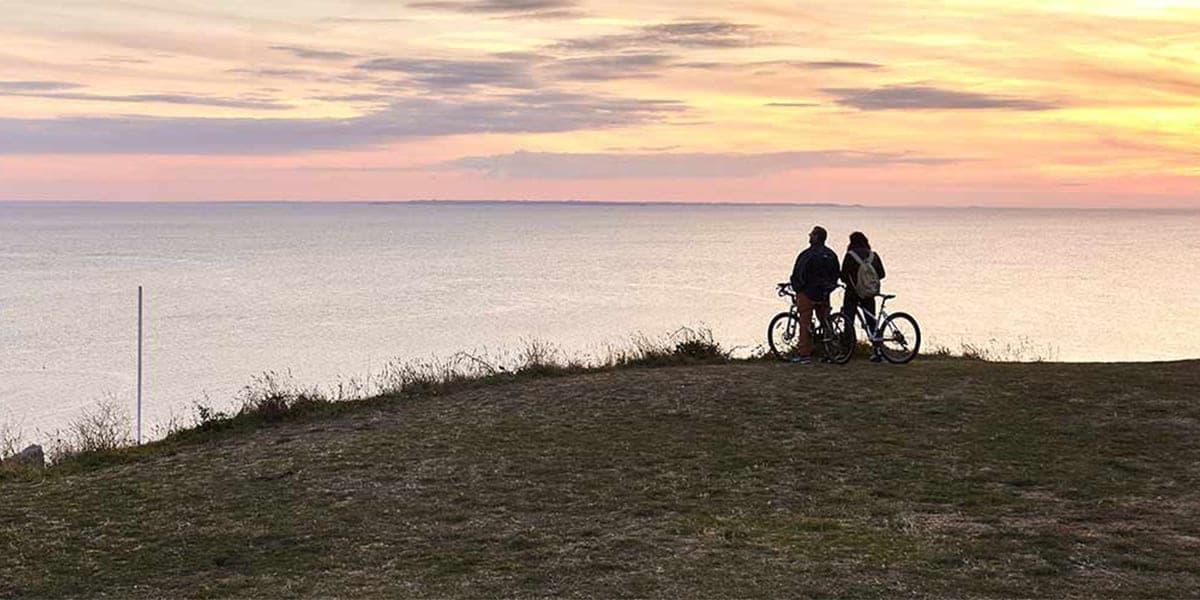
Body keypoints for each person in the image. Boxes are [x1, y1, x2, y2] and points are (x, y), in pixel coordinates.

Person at [789, 225, 841, 364]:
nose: (809, 236)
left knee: (804, 322)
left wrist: (797, 288)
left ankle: (804, 354)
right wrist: (830, 288)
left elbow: (798, 273)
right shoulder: (831, 254)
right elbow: (836, 273)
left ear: (816, 237)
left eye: (811, 234)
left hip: (807, 293)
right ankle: (828, 351)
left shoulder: (807, 254)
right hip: (824, 292)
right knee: (825, 321)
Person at [840, 231, 886, 362]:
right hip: (869, 294)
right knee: (872, 322)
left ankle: (847, 350)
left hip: (852, 294)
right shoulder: (873, 255)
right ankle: (877, 351)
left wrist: (853, 280)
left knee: (848, 320)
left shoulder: (850, 256)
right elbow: (882, 274)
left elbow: (843, 275)